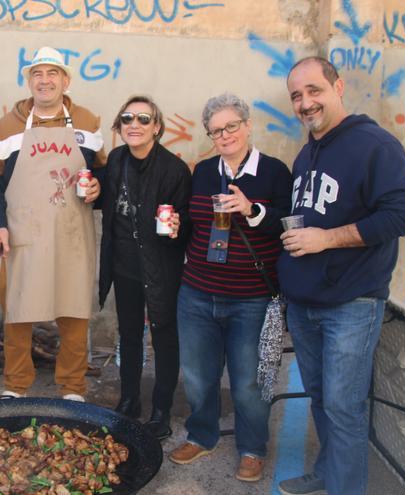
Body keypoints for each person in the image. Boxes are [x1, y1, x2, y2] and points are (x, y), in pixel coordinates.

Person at [277, 57, 405, 495]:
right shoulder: (307, 153)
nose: (305, 102)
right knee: (321, 400)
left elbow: (403, 214)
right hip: (306, 303)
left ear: (338, 87)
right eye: (297, 95)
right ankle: (326, 473)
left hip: (351, 305)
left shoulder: (374, 144)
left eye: (314, 90)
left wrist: (327, 239)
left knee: (344, 408)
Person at [168, 93, 292, 483]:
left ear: (247, 125)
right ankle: (202, 435)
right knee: (199, 375)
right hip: (197, 292)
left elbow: (289, 224)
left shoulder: (274, 172)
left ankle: (253, 447)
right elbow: (194, 225)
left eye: (231, 127)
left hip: (250, 298)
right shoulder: (203, 171)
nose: (224, 135)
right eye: (216, 130)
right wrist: (176, 230)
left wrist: (252, 210)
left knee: (247, 381)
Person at [0, 46, 105, 401]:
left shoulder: (87, 122)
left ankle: (73, 387)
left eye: (53, 73)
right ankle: (16, 384)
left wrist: (99, 186)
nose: (45, 81)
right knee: (18, 310)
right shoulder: (4, 128)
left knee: (73, 308)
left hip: (71, 235)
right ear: (29, 81)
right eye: (38, 74)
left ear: (65, 80)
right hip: (22, 233)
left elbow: (101, 171)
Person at [96, 95, 191, 439]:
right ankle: (130, 399)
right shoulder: (118, 159)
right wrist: (91, 186)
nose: (134, 124)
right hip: (124, 267)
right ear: (119, 127)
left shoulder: (174, 169)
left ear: (157, 127)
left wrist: (180, 226)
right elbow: (102, 194)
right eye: (127, 118)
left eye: (143, 119)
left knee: (165, 336)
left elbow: (188, 221)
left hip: (161, 267)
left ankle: (161, 409)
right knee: (130, 334)